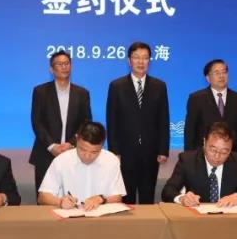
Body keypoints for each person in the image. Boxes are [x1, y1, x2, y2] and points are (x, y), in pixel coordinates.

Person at [106, 41, 170, 204]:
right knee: (126, 196)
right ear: (129, 60)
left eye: (145, 58)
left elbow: (164, 119)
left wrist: (163, 149)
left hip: (151, 151)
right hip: (125, 151)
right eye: (136, 57)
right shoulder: (116, 86)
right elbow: (112, 120)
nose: (141, 62)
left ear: (149, 61)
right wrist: (114, 151)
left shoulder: (159, 86)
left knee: (148, 195)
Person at [29, 51, 92, 200]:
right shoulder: (40, 91)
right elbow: (37, 122)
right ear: (51, 69)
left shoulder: (82, 93)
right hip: (46, 153)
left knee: (74, 197)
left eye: (67, 63)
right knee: (45, 199)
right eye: (59, 64)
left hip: (74, 153)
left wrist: (71, 143)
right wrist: (52, 146)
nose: (64, 67)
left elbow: (86, 122)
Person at [161, 122, 237, 207]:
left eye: (224, 152)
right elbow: (168, 191)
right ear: (204, 142)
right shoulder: (188, 160)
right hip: (197, 220)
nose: (217, 156)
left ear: (231, 148)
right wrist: (182, 198)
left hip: (230, 220)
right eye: (213, 150)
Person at [37, 121, 125, 211]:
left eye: (94, 152)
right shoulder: (61, 160)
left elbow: (117, 197)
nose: (87, 156)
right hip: (69, 216)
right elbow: (42, 197)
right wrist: (60, 202)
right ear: (76, 139)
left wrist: (101, 199)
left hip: (101, 216)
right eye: (83, 149)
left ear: (102, 145)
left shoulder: (111, 160)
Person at [183, 59, 237, 155]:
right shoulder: (196, 99)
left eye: (224, 72)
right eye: (217, 73)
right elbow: (190, 131)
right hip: (203, 155)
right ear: (208, 78)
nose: (221, 76)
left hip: (232, 155)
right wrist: (189, 157)